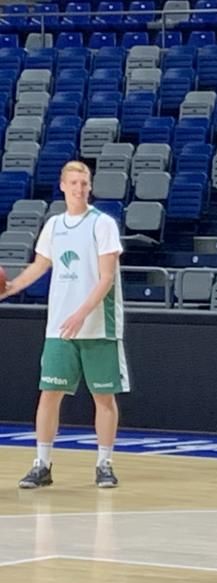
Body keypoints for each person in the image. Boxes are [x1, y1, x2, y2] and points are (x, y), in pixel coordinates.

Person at [0, 161, 127, 489]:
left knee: (104, 398)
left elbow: (107, 277)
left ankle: (104, 463)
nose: (79, 188)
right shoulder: (54, 225)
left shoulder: (103, 224)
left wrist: (82, 312)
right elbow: (39, 266)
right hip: (59, 326)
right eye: (73, 183)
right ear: (62, 186)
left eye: (84, 183)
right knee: (49, 394)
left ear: (90, 187)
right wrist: (10, 288)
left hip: (98, 324)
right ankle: (42, 463)